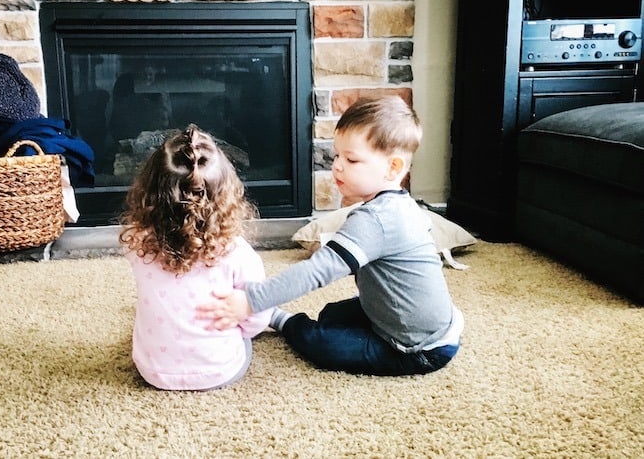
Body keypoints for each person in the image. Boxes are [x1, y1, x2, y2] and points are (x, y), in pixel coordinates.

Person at [196, 95, 464, 376]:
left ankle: (280, 320)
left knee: (319, 340)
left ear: (393, 168)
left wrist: (252, 301)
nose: (337, 165)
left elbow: (317, 271)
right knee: (331, 314)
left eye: (352, 159)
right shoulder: (400, 204)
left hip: (415, 348)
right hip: (405, 316)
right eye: (337, 155)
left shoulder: (378, 219)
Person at [119, 123, 272, 390]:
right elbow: (258, 320)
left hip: (152, 371)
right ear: (226, 195)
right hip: (220, 370)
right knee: (248, 330)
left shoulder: (137, 244)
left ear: (149, 192)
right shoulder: (238, 253)